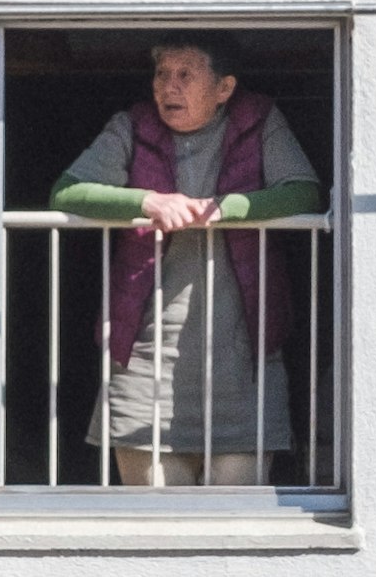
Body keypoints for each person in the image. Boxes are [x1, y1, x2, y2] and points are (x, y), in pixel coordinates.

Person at [49, 39, 323, 486]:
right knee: (156, 523)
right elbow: (66, 191)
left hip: (242, 366)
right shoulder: (131, 127)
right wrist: (147, 201)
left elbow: (303, 190)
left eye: (185, 75)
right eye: (162, 74)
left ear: (224, 87)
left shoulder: (260, 120)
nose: (168, 87)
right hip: (144, 361)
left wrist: (227, 209)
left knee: (237, 526)